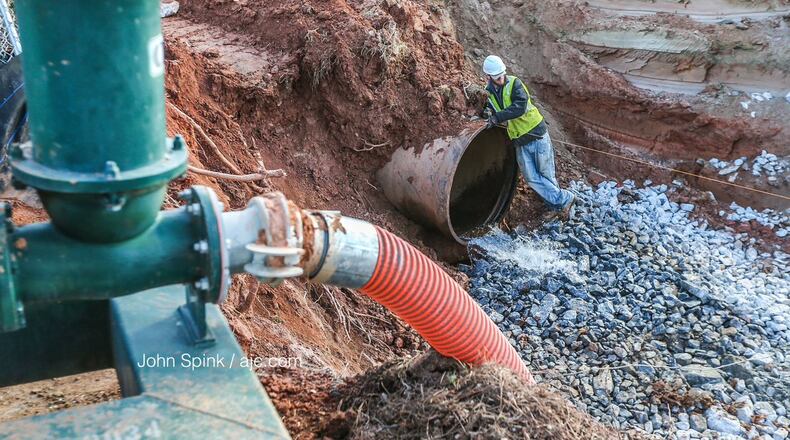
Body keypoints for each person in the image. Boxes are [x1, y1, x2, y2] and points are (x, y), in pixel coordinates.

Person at [482, 55, 575, 219]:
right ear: (488, 77)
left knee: (545, 174)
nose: (501, 79)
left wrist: (497, 118)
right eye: (497, 77)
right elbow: (491, 110)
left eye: (502, 74)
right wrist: (488, 115)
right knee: (531, 178)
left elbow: (519, 107)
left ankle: (560, 204)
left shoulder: (515, 84)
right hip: (519, 140)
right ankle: (563, 200)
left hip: (536, 134)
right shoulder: (488, 93)